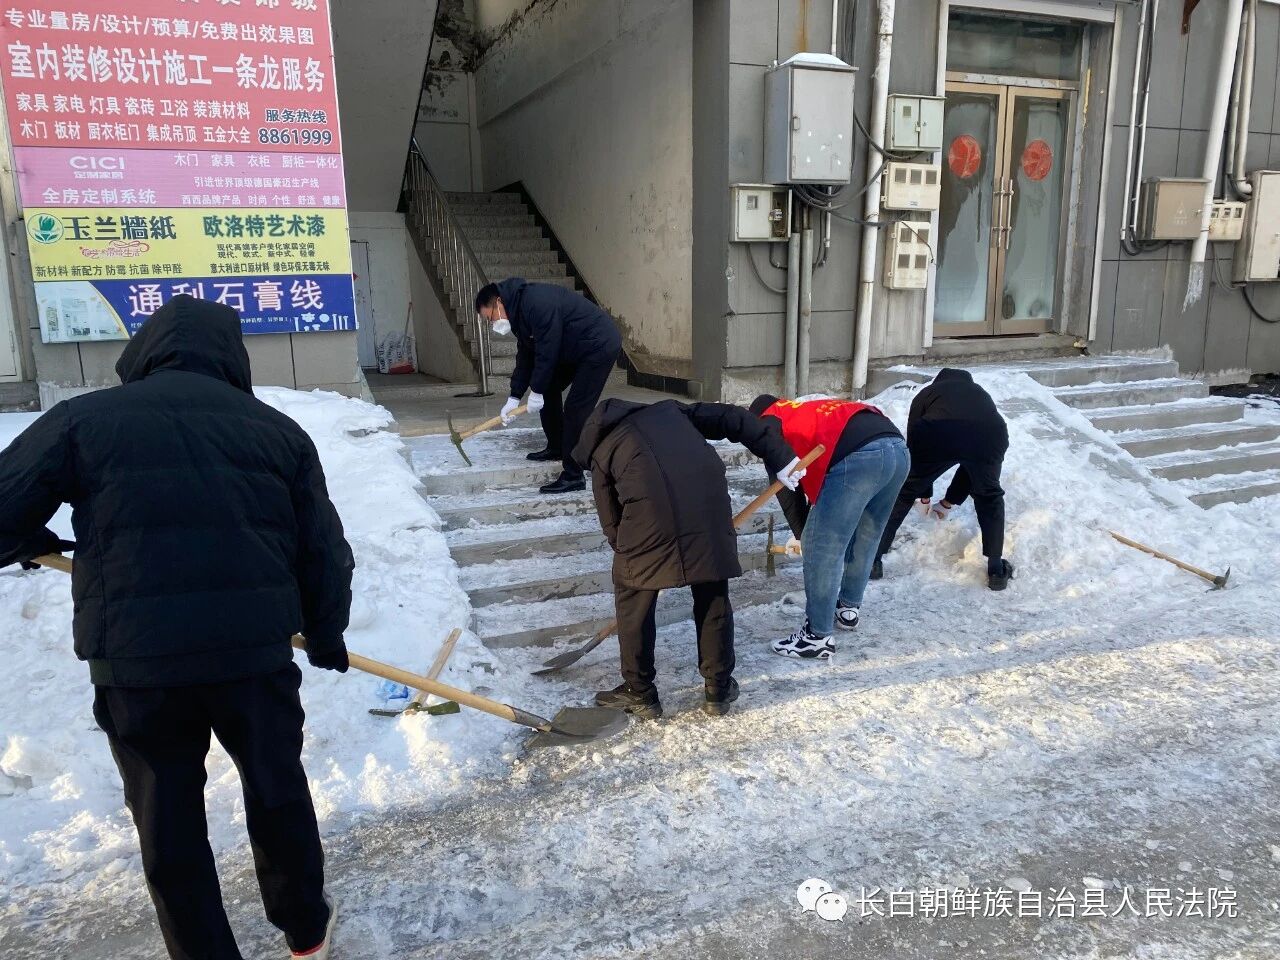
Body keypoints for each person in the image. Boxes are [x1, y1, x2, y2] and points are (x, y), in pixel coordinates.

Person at [0, 296, 354, 960]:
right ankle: (306, 931)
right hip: (253, 659)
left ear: (147, 350)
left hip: (139, 666)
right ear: (231, 356)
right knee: (277, 790)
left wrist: (26, 537)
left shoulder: (83, 421)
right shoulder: (277, 432)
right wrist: (327, 629)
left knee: (168, 820)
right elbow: (322, 551)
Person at [572, 399, 803, 717]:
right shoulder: (673, 412)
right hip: (707, 504)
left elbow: (611, 521)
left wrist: (633, 562)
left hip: (649, 516)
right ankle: (718, 688)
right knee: (712, 592)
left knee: (632, 597)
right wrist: (782, 457)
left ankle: (639, 692)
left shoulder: (602, 450)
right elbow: (733, 417)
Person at [749, 395, 909, 661]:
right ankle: (848, 609)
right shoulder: (802, 411)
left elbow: (788, 494)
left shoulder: (768, 426)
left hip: (860, 458)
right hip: (897, 449)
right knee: (867, 535)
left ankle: (816, 636)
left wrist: (806, 539)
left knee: (824, 547)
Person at [475, 277, 623, 494]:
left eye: (491, 318)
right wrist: (514, 397)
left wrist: (536, 391)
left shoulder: (536, 303)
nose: (493, 323)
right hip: (574, 346)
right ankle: (557, 446)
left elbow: (547, 350)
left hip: (598, 345)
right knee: (549, 388)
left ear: (498, 302)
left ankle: (573, 475)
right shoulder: (518, 312)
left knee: (575, 409)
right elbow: (526, 356)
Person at [874, 368, 1013, 591]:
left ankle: (873, 560)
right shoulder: (980, 393)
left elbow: (914, 446)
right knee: (989, 496)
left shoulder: (927, 394)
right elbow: (972, 469)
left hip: (938, 432)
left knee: (904, 493)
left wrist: (921, 492)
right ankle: (996, 569)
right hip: (991, 435)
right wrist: (949, 502)